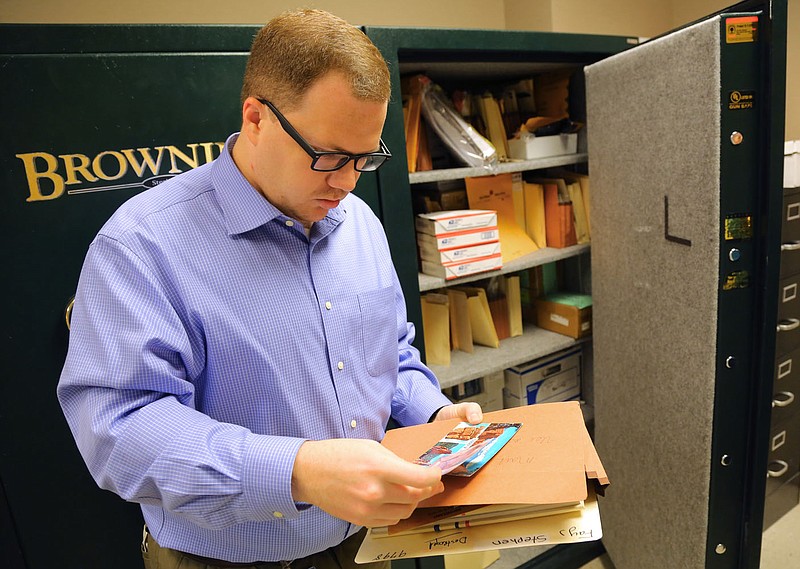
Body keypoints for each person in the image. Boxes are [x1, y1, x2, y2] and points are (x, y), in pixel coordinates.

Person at [56, 8, 483, 569]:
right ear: (256, 118)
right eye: (328, 156)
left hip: (367, 540)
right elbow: (120, 430)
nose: (347, 182)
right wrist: (297, 473)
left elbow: (390, 354)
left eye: (364, 159)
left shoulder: (361, 225)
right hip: (223, 557)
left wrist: (433, 415)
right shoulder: (141, 244)